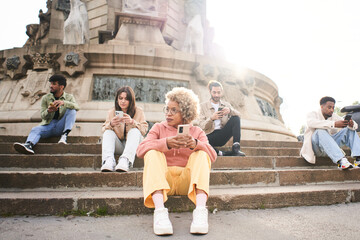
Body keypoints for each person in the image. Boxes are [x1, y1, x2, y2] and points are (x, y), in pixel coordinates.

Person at [136, 87, 217, 236]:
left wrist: (195, 143)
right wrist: (165, 143)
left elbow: (212, 155)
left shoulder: (197, 131)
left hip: (186, 183)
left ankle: (200, 212)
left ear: (185, 112)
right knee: (152, 152)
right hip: (163, 180)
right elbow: (140, 150)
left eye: (174, 110)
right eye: (167, 109)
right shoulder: (158, 127)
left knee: (202, 153)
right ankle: (160, 213)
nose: (168, 113)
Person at [13, 74, 79, 154]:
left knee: (72, 110)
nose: (51, 86)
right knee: (35, 129)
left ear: (61, 87)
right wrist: (48, 111)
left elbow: (77, 107)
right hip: (49, 125)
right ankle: (29, 145)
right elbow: (42, 115)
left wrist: (63, 102)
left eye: (54, 84)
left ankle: (64, 136)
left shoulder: (69, 97)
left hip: (61, 126)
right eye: (50, 83)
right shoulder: (46, 98)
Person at [300, 96, 360, 169]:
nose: (332, 110)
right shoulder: (312, 114)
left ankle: (358, 159)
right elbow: (311, 123)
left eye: (333, 107)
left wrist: (351, 124)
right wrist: (334, 124)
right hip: (316, 149)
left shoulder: (334, 116)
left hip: (329, 148)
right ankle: (341, 161)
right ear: (322, 107)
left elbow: (355, 126)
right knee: (320, 131)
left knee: (349, 130)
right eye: (329, 107)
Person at [101, 86, 148, 172]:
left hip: (135, 145)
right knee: (108, 132)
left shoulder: (139, 111)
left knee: (135, 131)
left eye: (126, 99)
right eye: (120, 98)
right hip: (119, 145)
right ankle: (108, 160)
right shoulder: (111, 112)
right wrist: (111, 124)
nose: (123, 101)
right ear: (117, 99)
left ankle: (125, 160)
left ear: (131, 100)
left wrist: (132, 122)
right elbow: (103, 130)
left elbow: (144, 130)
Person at [197, 80, 245, 156]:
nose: (216, 95)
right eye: (214, 92)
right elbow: (201, 126)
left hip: (222, 134)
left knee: (236, 118)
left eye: (218, 92)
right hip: (209, 135)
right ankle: (220, 153)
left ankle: (236, 148)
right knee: (198, 140)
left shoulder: (226, 104)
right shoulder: (202, 106)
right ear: (210, 91)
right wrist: (211, 118)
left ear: (221, 92)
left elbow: (239, 116)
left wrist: (230, 110)